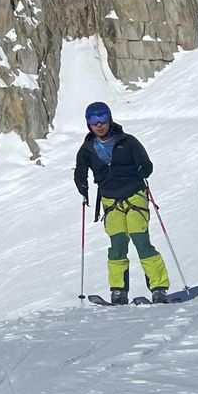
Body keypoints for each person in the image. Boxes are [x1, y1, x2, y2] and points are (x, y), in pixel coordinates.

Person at [72, 101, 172, 304]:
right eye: (94, 120)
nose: (99, 124)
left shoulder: (128, 142)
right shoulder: (87, 149)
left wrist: (141, 172)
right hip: (110, 200)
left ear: (109, 120)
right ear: (88, 124)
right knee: (117, 246)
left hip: (135, 195)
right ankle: (118, 291)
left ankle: (159, 288)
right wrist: (81, 182)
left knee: (141, 241)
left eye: (102, 120)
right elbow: (80, 169)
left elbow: (146, 165)